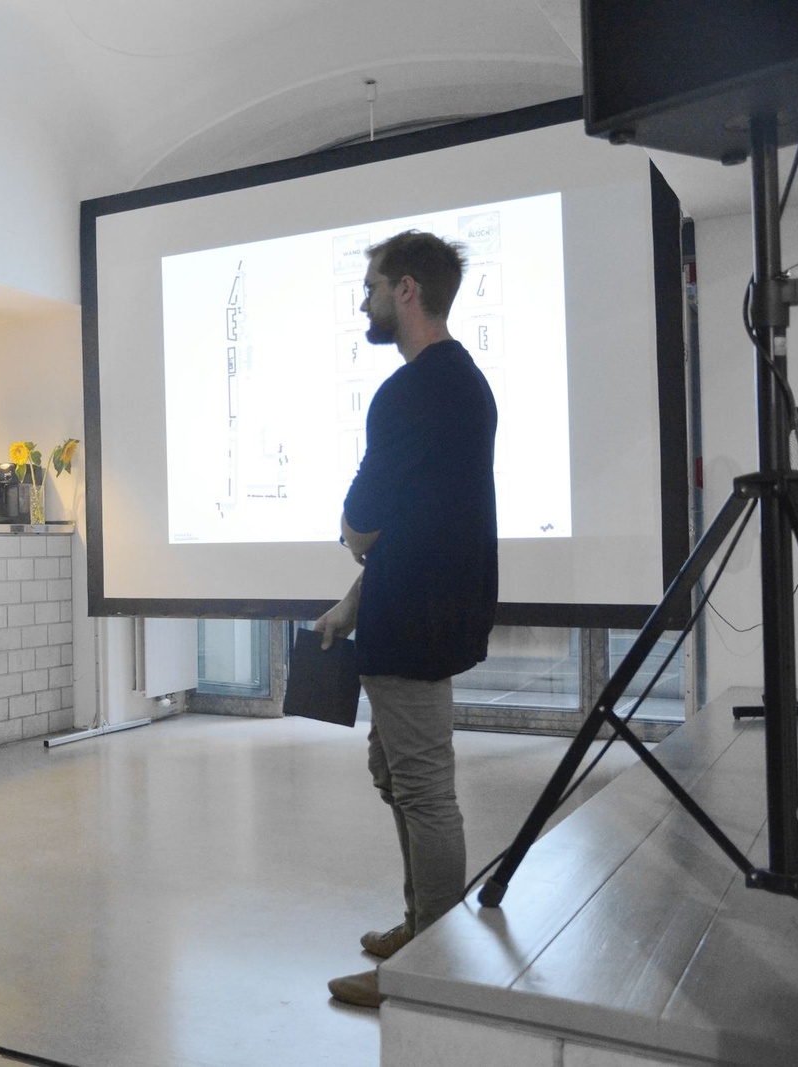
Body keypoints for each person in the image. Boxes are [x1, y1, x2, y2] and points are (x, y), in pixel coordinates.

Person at [313, 230, 498, 1008]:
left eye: (371, 287)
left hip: (414, 620)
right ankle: (424, 926)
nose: (365, 301)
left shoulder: (409, 391)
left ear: (407, 289)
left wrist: (352, 539)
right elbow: (417, 521)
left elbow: (365, 520)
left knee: (422, 787)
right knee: (398, 772)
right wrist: (352, 603)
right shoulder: (465, 384)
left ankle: (432, 966)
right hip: (424, 608)